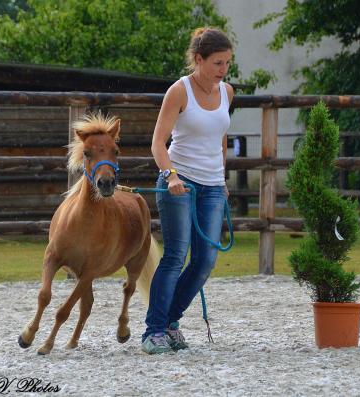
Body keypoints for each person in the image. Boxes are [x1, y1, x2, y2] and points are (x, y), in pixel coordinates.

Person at [141, 27, 234, 354]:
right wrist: (170, 176)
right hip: (179, 182)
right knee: (176, 256)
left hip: (211, 186)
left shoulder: (227, 92)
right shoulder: (179, 92)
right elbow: (157, 143)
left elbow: (220, 137)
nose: (223, 70)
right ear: (198, 60)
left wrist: (222, 179)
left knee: (206, 260)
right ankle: (153, 330)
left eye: (227, 63)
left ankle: (170, 321)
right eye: (218, 63)